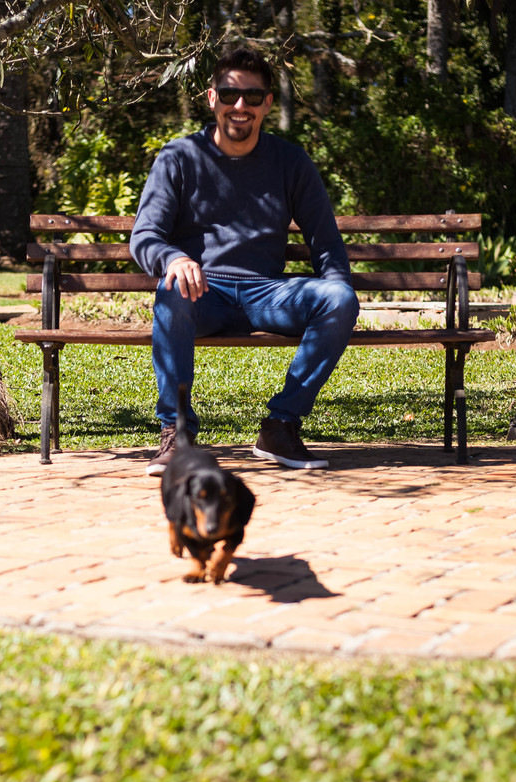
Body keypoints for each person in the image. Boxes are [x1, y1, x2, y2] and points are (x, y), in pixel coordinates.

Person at [131, 46, 359, 476]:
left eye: (253, 97)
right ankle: (176, 433)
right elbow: (145, 236)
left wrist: (340, 299)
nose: (241, 106)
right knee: (170, 290)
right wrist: (173, 258)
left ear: (267, 104)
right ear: (211, 97)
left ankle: (280, 425)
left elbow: (325, 241)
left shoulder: (290, 161)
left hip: (267, 293)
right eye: (230, 94)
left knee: (338, 298)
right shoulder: (179, 157)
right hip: (203, 293)